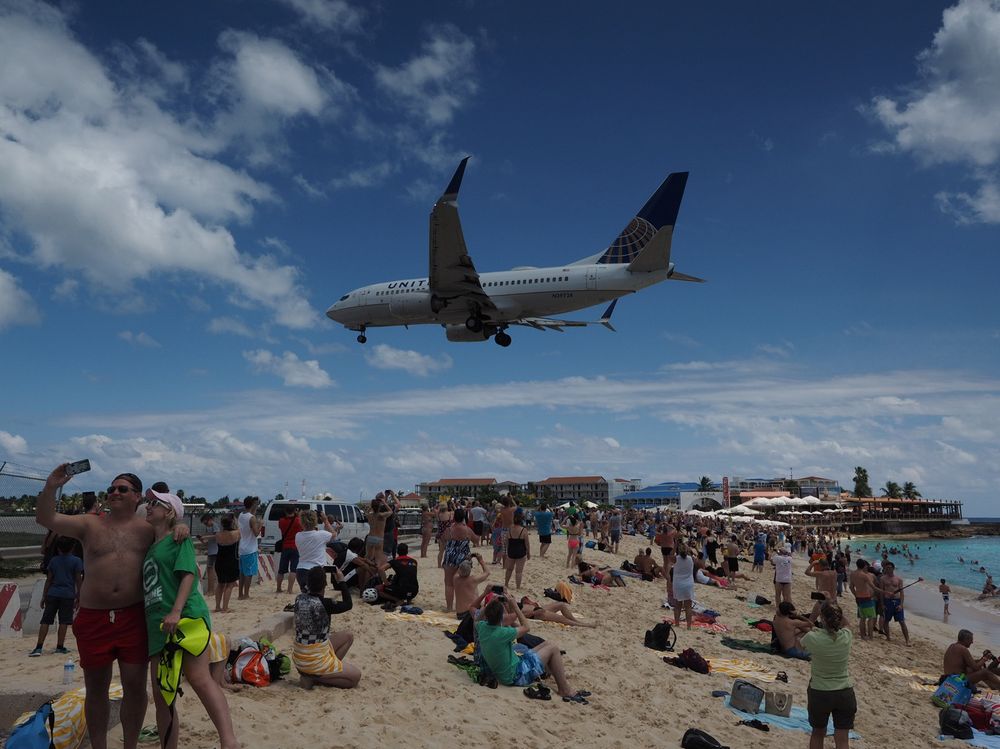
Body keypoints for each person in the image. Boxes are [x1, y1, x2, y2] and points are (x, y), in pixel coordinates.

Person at [36, 466, 189, 749]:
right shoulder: (89, 524)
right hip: (94, 618)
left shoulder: (147, 531)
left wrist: (180, 525)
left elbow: (173, 540)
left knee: (134, 686)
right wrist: (51, 486)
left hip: (133, 617)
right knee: (96, 688)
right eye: (111, 488)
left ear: (137, 497)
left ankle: (129, 745)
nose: (114, 492)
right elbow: (45, 517)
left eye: (122, 489)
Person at [143, 491, 239, 749]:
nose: (148, 506)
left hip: (185, 618)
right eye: (148, 502)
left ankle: (228, 741)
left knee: (199, 678)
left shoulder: (178, 539)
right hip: (157, 625)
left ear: (170, 511)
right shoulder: (149, 542)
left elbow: (188, 575)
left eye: (155, 503)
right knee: (162, 694)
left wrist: (176, 610)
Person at [475, 595, 589, 702]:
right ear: (501, 618)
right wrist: (515, 607)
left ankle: (552, 674)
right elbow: (526, 627)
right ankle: (565, 690)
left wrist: (489, 603)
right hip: (516, 676)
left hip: (510, 668)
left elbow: (476, 619)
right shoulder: (502, 633)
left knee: (547, 644)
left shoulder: (482, 627)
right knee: (553, 648)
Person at [293, 566, 361, 689]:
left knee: (347, 636)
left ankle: (319, 674)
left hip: (300, 659)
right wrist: (341, 581)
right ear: (324, 585)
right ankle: (316, 678)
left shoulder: (299, 599)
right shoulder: (325, 604)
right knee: (355, 678)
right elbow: (348, 604)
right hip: (314, 661)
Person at [802, 602, 855, 749]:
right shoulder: (846, 636)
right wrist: (833, 604)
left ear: (822, 619)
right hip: (845, 691)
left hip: (820, 691)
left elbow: (801, 645)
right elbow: (847, 624)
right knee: (843, 739)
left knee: (818, 733)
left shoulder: (813, 637)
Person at [29, 536, 83, 656]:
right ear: (73, 547)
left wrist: (44, 595)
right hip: (68, 595)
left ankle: (38, 647)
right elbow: (78, 580)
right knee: (64, 621)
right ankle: (60, 646)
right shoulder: (77, 561)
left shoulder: (54, 561)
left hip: (52, 593)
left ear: (58, 548)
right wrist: (79, 595)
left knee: (46, 620)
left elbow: (49, 580)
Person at [295, 510, 341, 593]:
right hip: (316, 570)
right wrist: (325, 520)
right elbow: (334, 535)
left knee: (306, 597)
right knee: (319, 598)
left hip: (301, 570)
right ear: (315, 521)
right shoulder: (321, 534)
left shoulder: (298, 536)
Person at [442, 508, 477, 611]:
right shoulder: (467, 529)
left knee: (448, 584)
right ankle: (462, 606)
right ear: (463, 517)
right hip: (463, 557)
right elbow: (476, 540)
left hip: (450, 556)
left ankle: (449, 607)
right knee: (462, 583)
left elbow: (444, 539)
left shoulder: (449, 529)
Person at [879, 561, 911, 646]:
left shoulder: (899, 579)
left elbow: (902, 593)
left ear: (893, 568)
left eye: (890, 568)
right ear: (885, 569)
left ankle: (907, 640)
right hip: (887, 602)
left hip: (897, 602)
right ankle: (888, 637)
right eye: (887, 568)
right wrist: (882, 604)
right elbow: (881, 592)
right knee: (886, 621)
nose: (888, 569)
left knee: (902, 621)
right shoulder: (882, 579)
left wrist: (901, 604)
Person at [213, 515, 240, 613]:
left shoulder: (218, 535)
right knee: (229, 584)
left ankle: (217, 606)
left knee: (220, 584)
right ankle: (225, 607)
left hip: (219, 560)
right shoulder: (236, 533)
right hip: (231, 560)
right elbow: (239, 531)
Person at [274, 506, 303, 594]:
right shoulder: (298, 521)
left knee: (281, 570)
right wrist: (298, 514)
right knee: (293, 569)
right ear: (294, 511)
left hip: (285, 547)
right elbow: (301, 526)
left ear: (285, 511)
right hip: (295, 546)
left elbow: (282, 527)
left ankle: (278, 588)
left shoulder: (281, 521)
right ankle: (289, 589)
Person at [236, 497, 261, 601]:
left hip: (242, 547)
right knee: (249, 573)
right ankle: (246, 594)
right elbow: (256, 533)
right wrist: (260, 525)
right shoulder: (252, 518)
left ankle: (240, 593)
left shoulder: (241, 515)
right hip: (250, 548)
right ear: (253, 505)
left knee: (242, 573)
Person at [518, 595, 596, 627]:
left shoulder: (510, 602)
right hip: (536, 614)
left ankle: (576, 621)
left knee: (561, 604)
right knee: (561, 618)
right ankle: (582, 625)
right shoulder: (510, 609)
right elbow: (520, 615)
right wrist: (534, 612)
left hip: (537, 609)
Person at [848, 560, 878, 640]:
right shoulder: (865, 576)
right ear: (864, 566)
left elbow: (851, 586)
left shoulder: (853, 574)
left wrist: (856, 595)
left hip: (859, 598)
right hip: (867, 598)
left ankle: (862, 636)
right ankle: (870, 636)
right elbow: (874, 587)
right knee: (870, 617)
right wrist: (883, 592)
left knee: (862, 618)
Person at [503, 509, 531, 590]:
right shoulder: (523, 530)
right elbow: (527, 543)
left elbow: (506, 541)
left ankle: (506, 584)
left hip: (511, 551)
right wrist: (528, 553)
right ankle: (518, 587)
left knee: (509, 569)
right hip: (521, 552)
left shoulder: (510, 529)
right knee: (519, 571)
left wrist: (507, 550)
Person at [670, 544, 695, 629]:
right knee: (688, 607)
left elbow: (670, 555)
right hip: (688, 584)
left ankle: (677, 624)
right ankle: (688, 626)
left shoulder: (676, 559)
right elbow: (694, 555)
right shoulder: (691, 559)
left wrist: (675, 545)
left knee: (677, 606)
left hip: (678, 584)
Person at [197, 514, 219, 597]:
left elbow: (216, 536)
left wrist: (205, 536)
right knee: (211, 570)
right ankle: (211, 589)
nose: (206, 525)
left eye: (206, 523)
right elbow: (207, 542)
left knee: (211, 570)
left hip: (215, 551)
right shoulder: (209, 528)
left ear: (210, 519)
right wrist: (202, 539)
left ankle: (212, 590)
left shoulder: (215, 526)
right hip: (211, 551)